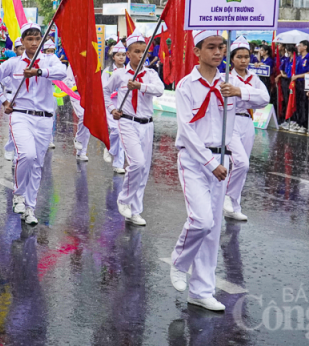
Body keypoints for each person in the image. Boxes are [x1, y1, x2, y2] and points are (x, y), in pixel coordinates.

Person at [169, 30, 254, 312]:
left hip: (222, 159)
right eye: (211, 47)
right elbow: (187, 130)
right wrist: (210, 163)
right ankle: (179, 262)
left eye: (221, 47)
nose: (218, 52)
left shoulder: (228, 83)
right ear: (197, 51)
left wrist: (241, 90)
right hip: (195, 160)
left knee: (213, 230)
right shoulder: (186, 86)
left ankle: (201, 291)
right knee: (201, 220)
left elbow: (263, 99)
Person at [0, 23, 67, 226]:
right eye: (29, 39)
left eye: (37, 39)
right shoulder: (13, 63)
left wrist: (39, 72)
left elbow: (62, 72)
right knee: (27, 155)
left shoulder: (49, 59)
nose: (34, 43)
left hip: (45, 118)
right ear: (22, 42)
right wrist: (4, 101)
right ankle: (19, 194)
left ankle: (30, 207)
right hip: (21, 115)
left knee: (37, 164)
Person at [103, 29, 164, 226]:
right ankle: (124, 198)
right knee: (136, 163)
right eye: (136, 51)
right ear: (127, 54)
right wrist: (112, 109)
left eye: (143, 52)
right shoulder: (119, 75)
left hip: (147, 124)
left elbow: (160, 90)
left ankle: (136, 210)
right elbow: (105, 92)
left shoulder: (151, 74)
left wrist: (140, 86)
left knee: (144, 169)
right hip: (127, 122)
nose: (140, 55)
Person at [225, 36, 269, 221]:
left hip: (247, 121)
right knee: (241, 162)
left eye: (246, 57)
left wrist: (240, 92)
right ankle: (227, 196)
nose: (243, 60)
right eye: (239, 57)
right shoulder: (226, 77)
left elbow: (264, 99)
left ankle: (235, 206)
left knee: (243, 167)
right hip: (230, 122)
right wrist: (250, 95)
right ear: (232, 59)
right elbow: (253, 97)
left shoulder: (254, 78)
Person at [101, 42, 127, 172]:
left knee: (122, 133)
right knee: (116, 131)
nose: (121, 58)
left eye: (123, 55)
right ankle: (108, 147)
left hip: (125, 106)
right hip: (111, 105)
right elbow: (104, 89)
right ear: (113, 57)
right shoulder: (108, 71)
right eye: (118, 55)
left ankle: (118, 164)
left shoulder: (129, 71)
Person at [3, 38, 24, 162]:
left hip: (23, 99)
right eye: (20, 49)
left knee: (22, 129)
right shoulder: (11, 63)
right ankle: (10, 147)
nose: (23, 51)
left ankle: (17, 152)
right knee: (13, 127)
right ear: (15, 50)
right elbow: (1, 80)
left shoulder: (29, 63)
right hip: (10, 96)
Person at [289, 40, 309, 134]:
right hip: (298, 83)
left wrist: (297, 76)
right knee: (299, 103)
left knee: (305, 104)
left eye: (300, 46)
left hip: (305, 82)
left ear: (305, 47)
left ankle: (305, 124)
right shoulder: (299, 58)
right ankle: (299, 122)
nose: (298, 47)